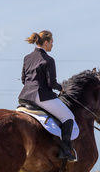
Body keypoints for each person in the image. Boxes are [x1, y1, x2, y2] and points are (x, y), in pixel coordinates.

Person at [18, 30, 77, 162]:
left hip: (25, 96)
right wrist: (60, 87)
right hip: (40, 96)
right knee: (68, 117)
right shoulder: (49, 60)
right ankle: (65, 151)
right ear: (46, 43)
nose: (52, 45)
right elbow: (51, 83)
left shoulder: (27, 58)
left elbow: (24, 80)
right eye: (51, 43)